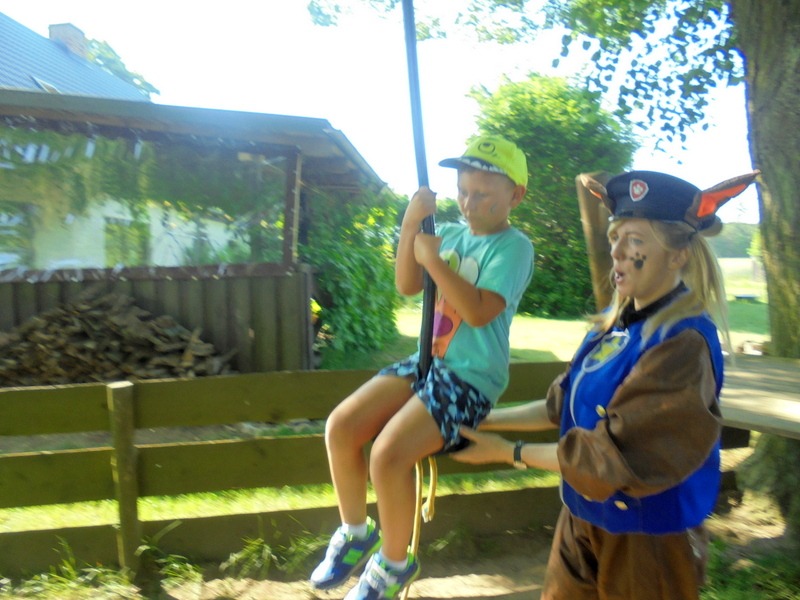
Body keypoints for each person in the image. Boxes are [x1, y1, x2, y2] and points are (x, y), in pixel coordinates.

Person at [452, 169, 759, 600]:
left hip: (648, 541)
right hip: (583, 519)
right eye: (615, 237)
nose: (616, 251)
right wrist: (482, 420)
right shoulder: (613, 328)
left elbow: (612, 458)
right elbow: (560, 406)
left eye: (634, 240)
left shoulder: (682, 344)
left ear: (678, 255)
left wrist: (508, 452)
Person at [309, 135, 534, 599]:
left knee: (387, 455)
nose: (468, 203)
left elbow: (478, 311)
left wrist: (432, 257)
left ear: (516, 195)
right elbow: (408, 285)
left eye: (483, 195)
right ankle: (355, 531)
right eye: (463, 191)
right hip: (427, 363)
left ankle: (394, 565)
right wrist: (411, 224)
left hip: (471, 377)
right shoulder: (445, 232)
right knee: (341, 425)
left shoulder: (514, 248)